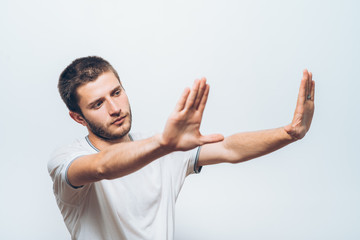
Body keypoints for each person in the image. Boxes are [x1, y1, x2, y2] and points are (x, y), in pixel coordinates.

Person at [48, 56, 315, 240]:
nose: (115, 109)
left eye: (116, 93)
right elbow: (102, 167)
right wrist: (164, 143)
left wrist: (289, 134)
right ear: (78, 117)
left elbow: (230, 148)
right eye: (97, 104)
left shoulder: (163, 147)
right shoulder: (67, 159)